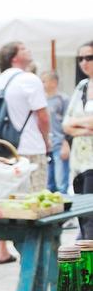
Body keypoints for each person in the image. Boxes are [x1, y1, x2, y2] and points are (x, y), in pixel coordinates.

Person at [0, 41, 51, 192]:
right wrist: (46, 141)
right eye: (23, 49)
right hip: (31, 146)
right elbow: (43, 117)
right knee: (35, 197)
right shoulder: (29, 79)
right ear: (14, 58)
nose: (28, 50)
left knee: (13, 199)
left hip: (6, 149)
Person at [64, 39, 93, 238]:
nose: (84, 62)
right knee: (83, 215)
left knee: (90, 217)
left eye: (89, 57)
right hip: (79, 161)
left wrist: (77, 123)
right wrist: (84, 127)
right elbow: (66, 124)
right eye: (80, 58)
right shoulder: (82, 86)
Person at [45, 71, 69, 194]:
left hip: (60, 144)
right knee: (48, 183)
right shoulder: (42, 100)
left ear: (53, 82)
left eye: (44, 81)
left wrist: (66, 143)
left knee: (61, 183)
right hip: (47, 145)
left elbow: (68, 121)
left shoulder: (63, 99)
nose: (42, 84)